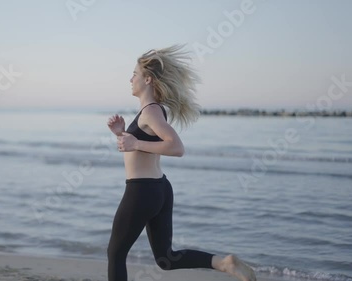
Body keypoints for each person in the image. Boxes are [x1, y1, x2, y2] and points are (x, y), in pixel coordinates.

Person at [106, 44, 257, 281]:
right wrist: (122, 134)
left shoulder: (150, 112)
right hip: (159, 189)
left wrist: (135, 143)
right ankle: (224, 263)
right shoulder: (151, 111)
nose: (130, 78)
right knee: (165, 258)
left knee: (115, 254)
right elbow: (143, 146)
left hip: (142, 191)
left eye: (134, 74)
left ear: (147, 79)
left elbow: (176, 147)